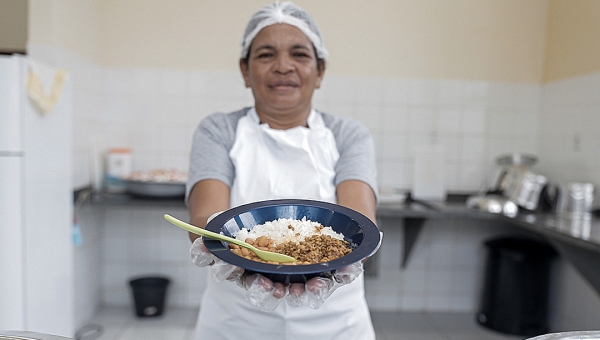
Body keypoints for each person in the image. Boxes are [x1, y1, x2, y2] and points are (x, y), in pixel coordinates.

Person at [185, 2, 379, 339]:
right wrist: (229, 252)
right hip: (235, 321)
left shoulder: (349, 135)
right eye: (265, 55)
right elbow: (205, 218)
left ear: (320, 72)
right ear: (245, 71)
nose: (283, 66)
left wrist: (333, 259)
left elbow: (360, 221)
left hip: (335, 322)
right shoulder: (218, 130)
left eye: (300, 55)